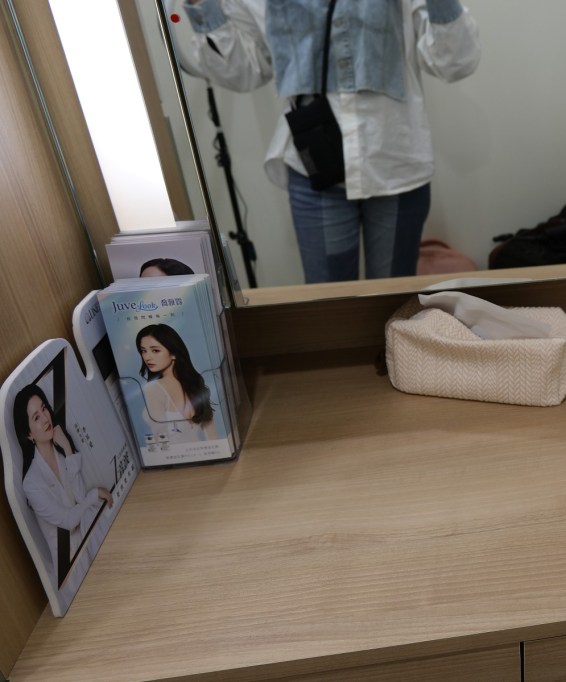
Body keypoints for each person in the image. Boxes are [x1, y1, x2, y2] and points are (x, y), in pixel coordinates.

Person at [182, 0, 481, 283]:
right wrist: (201, 5)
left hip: (396, 162)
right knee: (329, 301)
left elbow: (455, 62)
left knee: (393, 300)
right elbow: (242, 72)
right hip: (314, 169)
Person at [13, 385, 112, 581]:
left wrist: (67, 448)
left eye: (44, 409)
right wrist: (95, 494)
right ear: (29, 434)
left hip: (91, 542)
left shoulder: (62, 454)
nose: (45, 418)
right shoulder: (31, 483)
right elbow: (68, 521)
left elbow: (80, 497)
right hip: (71, 565)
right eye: (36, 417)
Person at [136, 324, 219, 442]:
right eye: (143, 351)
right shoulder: (195, 383)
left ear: (173, 353)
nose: (147, 357)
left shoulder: (153, 388)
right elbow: (213, 437)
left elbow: (161, 439)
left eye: (155, 350)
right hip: (199, 449)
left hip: (175, 452)